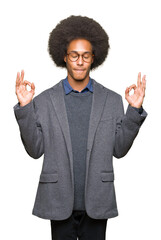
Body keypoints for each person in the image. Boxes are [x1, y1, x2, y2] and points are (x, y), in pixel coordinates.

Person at [14, 15, 147, 240]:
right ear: (64, 57)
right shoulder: (46, 100)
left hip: (97, 200)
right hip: (58, 199)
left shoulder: (111, 100)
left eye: (86, 55)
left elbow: (119, 150)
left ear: (93, 58)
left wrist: (133, 110)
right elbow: (35, 150)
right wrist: (25, 107)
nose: (80, 61)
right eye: (74, 55)